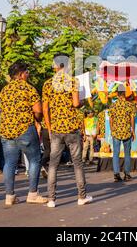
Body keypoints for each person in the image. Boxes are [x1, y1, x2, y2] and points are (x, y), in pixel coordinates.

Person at [42, 54, 92, 208]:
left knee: (53, 165)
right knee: (77, 164)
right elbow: (76, 103)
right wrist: (82, 101)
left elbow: (45, 109)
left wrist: (50, 128)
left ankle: (51, 199)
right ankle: (81, 197)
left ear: (56, 65)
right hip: (72, 128)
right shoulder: (73, 81)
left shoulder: (47, 84)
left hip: (56, 129)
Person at [0, 61, 47, 207]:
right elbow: (38, 111)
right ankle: (32, 193)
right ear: (20, 74)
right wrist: (38, 120)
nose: (28, 74)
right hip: (25, 128)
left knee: (10, 162)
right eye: (26, 72)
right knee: (34, 160)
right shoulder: (29, 89)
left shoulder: (4, 91)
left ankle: (9, 195)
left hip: (7, 130)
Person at [109, 89, 137, 183]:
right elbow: (132, 119)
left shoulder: (113, 105)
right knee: (127, 154)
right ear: (124, 94)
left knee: (116, 153)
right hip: (126, 132)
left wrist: (112, 130)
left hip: (116, 132)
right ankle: (127, 174)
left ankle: (116, 175)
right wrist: (133, 131)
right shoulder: (130, 105)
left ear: (117, 94)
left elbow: (111, 119)